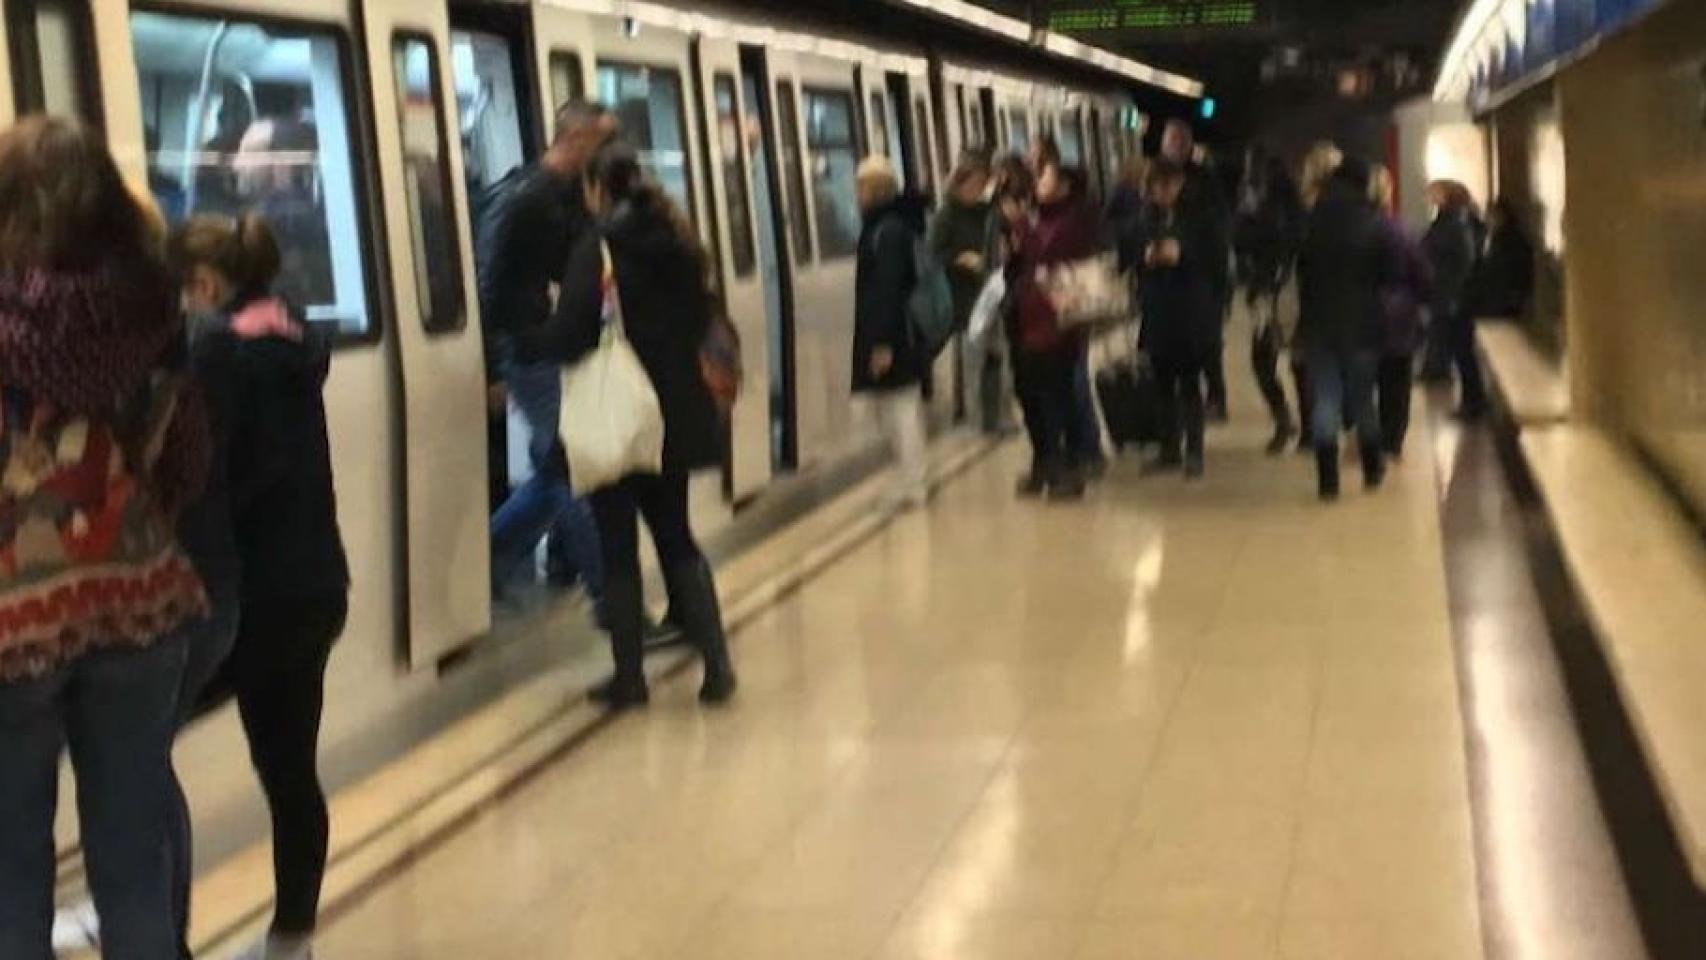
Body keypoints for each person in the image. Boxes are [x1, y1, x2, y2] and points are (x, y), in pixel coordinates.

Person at [0, 116, 210, 959]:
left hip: (13, 631)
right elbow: (186, 459)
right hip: (140, 605)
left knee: (11, 872)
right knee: (131, 858)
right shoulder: (155, 307)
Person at [168, 213, 350, 960]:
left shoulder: (217, 359)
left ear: (205, 285)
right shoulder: (292, 344)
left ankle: (151, 923)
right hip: (314, 586)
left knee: (134, 751)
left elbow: (211, 481)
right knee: (289, 769)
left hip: (248, 602)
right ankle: (292, 937)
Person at [519, 143, 736, 709]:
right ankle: (717, 666)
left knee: (618, 548)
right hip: (675, 418)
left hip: (621, 419)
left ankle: (630, 679)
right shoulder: (683, 245)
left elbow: (571, 335)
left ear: (596, 189)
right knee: (676, 537)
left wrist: (530, 338)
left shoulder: (600, 250)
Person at [478, 100, 615, 612]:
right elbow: (488, 286)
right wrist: (493, 369)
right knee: (572, 465)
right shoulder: (523, 199)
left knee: (551, 470)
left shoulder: (566, 198)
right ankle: (611, 598)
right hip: (525, 353)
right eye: (602, 145)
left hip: (548, 347)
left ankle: (488, 556)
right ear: (576, 140)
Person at [1295, 155, 1399, 501]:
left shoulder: (1311, 221)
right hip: (1363, 325)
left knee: (1326, 398)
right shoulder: (1374, 222)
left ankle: (1328, 481)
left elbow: (1302, 274)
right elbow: (1390, 273)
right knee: (1362, 399)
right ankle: (1372, 469)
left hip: (1318, 325)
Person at [1011, 161, 1101, 499]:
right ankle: (1046, 463)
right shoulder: (1043, 218)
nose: (1038, 183)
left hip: (1058, 324)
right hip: (1033, 320)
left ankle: (1068, 468)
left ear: (1064, 185)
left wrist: (1020, 225)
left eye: (1045, 178)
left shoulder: (1073, 221)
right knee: (1033, 395)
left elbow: (1048, 253)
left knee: (1056, 397)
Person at [852, 155, 932, 510]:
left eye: (861, 186)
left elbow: (886, 289)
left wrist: (882, 344)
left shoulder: (887, 231)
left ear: (873, 189)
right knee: (897, 410)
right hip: (898, 333)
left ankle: (913, 482)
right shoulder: (892, 226)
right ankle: (909, 478)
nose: (856, 193)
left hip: (896, 336)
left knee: (900, 411)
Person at [1139, 161, 1224, 479]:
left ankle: (1195, 452)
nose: (1161, 193)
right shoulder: (1148, 216)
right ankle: (1169, 448)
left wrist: (1183, 255)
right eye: (1156, 187)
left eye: (1167, 185)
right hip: (1158, 308)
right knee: (1161, 385)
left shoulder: (1200, 215)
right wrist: (1145, 256)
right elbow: (1131, 244)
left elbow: (1216, 260)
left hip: (1190, 310)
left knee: (1189, 384)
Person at [1159, 118, 1232, 423]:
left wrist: (1218, 279)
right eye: (1171, 140)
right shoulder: (1156, 178)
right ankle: (1186, 407)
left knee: (1208, 344)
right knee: (1180, 349)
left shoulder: (1206, 180)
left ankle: (1215, 397)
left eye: (1180, 141)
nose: (1175, 146)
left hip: (1204, 276)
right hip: (1170, 282)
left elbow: (1218, 230)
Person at [1235, 152, 1305, 454]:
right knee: (1299, 363)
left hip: (1270, 293)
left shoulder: (1262, 211)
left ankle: (1283, 419)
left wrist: (1245, 216)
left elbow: (1243, 240)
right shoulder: (1299, 209)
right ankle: (1309, 427)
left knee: (1263, 360)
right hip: (1294, 292)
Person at [930, 149, 1002, 434]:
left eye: (984, 184)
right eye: (975, 184)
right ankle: (975, 419)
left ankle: (994, 418)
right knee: (973, 361)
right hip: (962, 298)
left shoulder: (987, 212)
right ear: (960, 184)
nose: (980, 190)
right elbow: (934, 253)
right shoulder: (946, 215)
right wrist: (960, 258)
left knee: (994, 359)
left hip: (990, 294)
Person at [1370, 166, 1434, 459]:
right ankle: (1393, 437)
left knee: (1370, 377)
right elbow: (1421, 272)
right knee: (1397, 379)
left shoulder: (1360, 229)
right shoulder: (1398, 230)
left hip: (1365, 311)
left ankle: (1372, 433)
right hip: (1400, 313)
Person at [1457, 198, 1534, 419]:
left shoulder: (1509, 243)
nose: (1488, 218)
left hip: (1497, 307)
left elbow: (1509, 276)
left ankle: (1478, 403)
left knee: (1484, 356)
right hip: (1489, 305)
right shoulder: (1495, 239)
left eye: (1492, 214)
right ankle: (1477, 401)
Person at [1419, 180, 1479, 387]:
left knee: (1446, 332)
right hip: (1441, 286)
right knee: (1438, 329)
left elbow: (1463, 258)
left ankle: (1438, 369)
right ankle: (1435, 367)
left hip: (1448, 287)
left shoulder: (1455, 224)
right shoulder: (1445, 222)